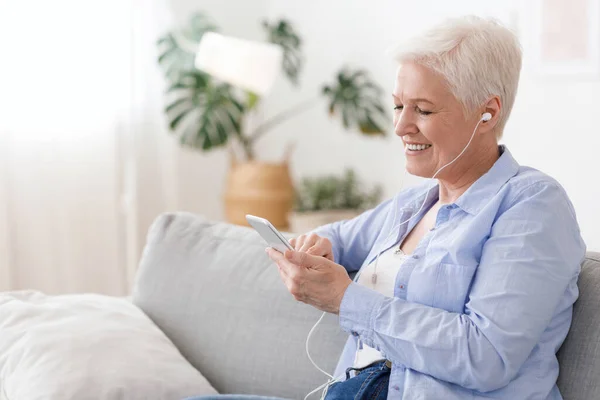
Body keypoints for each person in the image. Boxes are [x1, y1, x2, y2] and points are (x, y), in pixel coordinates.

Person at [187, 15, 586, 400]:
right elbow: (337, 238)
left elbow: (486, 357)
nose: (400, 126)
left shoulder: (531, 205)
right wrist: (314, 246)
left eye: (423, 110)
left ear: (488, 112)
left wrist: (347, 301)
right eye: (399, 106)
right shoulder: (414, 203)